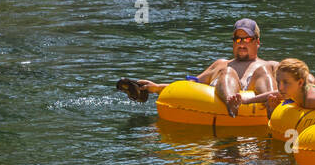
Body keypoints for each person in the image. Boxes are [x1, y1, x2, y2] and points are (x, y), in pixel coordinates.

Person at [114, 18, 282, 115]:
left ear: (257, 42)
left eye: (247, 39)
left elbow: (301, 80)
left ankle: (270, 110)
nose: (242, 43)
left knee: (263, 70)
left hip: (260, 99)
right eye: (238, 39)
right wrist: (157, 88)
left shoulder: (270, 66)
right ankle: (231, 104)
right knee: (227, 71)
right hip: (226, 100)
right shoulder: (221, 64)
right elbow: (193, 85)